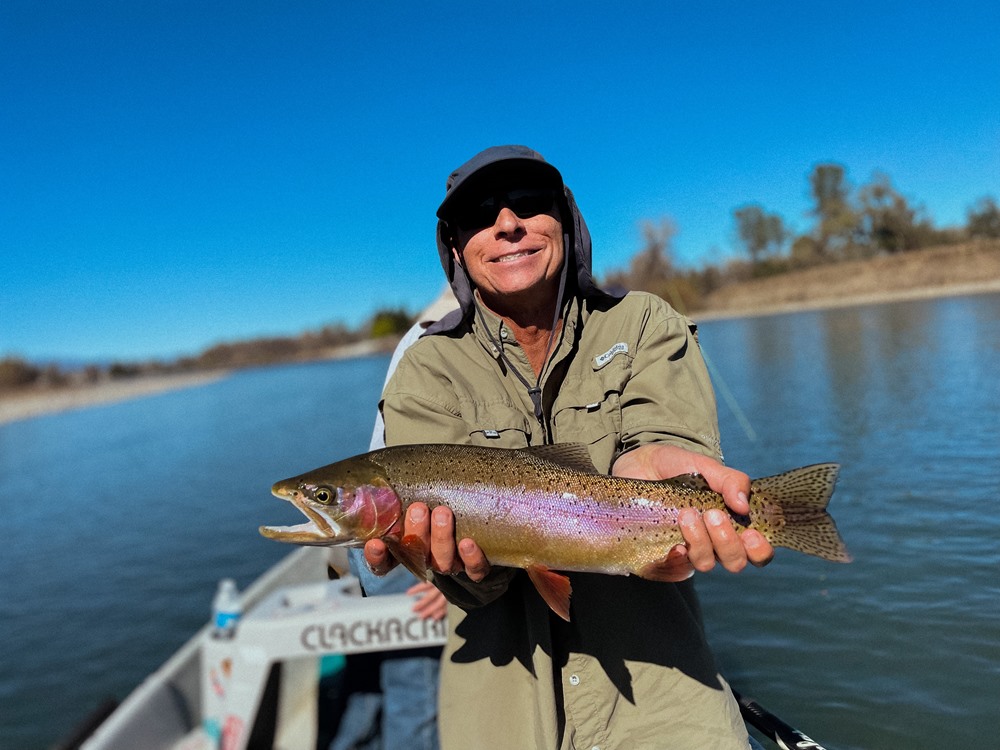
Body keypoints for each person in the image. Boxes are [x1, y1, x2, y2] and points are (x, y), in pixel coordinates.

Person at [364, 145, 774, 749]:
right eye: (480, 213)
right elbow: (469, 583)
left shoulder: (642, 323)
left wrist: (660, 465)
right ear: (455, 248)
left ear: (567, 221)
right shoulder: (427, 368)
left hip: (663, 705)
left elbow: (664, 439)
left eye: (529, 204)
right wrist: (442, 567)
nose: (507, 223)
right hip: (501, 718)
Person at [331, 292, 458, 750]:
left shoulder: (419, 331)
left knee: (369, 687)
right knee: (416, 693)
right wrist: (444, 582)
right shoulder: (453, 335)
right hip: (403, 542)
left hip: (369, 530)